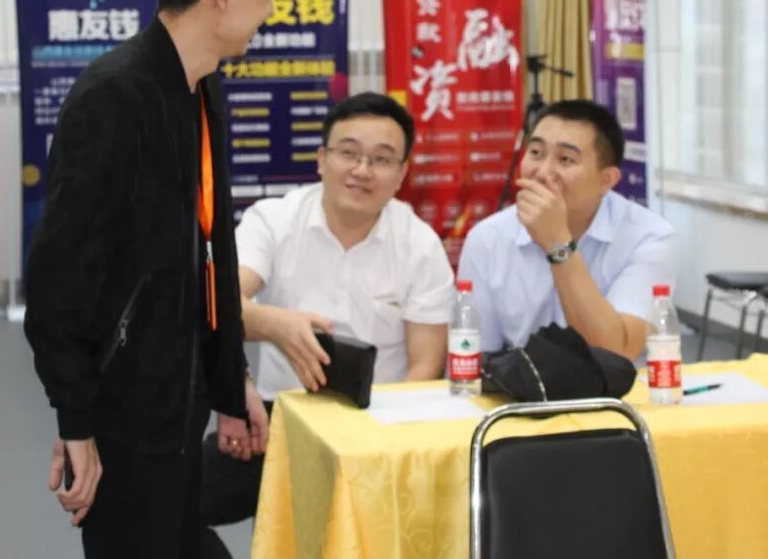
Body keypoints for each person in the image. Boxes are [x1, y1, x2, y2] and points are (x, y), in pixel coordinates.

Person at [23, 0, 275, 559]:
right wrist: (76, 420)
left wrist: (231, 383)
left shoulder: (201, 89)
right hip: (126, 416)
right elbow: (57, 280)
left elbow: (207, 254)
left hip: (178, 405)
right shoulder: (115, 96)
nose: (270, 11)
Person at [199, 92, 453, 557]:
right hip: (280, 424)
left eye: (381, 159)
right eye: (348, 153)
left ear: (402, 174)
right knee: (159, 499)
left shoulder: (419, 245)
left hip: (380, 426)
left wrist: (379, 443)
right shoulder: (274, 219)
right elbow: (217, 303)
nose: (362, 170)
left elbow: (426, 367)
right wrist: (272, 330)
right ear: (322, 159)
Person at [458, 99, 676, 360]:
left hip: (615, 386)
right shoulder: (488, 238)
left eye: (565, 159)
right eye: (536, 152)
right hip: (519, 382)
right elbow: (477, 356)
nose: (543, 172)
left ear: (606, 180)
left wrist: (557, 245)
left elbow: (615, 353)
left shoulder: (649, 237)